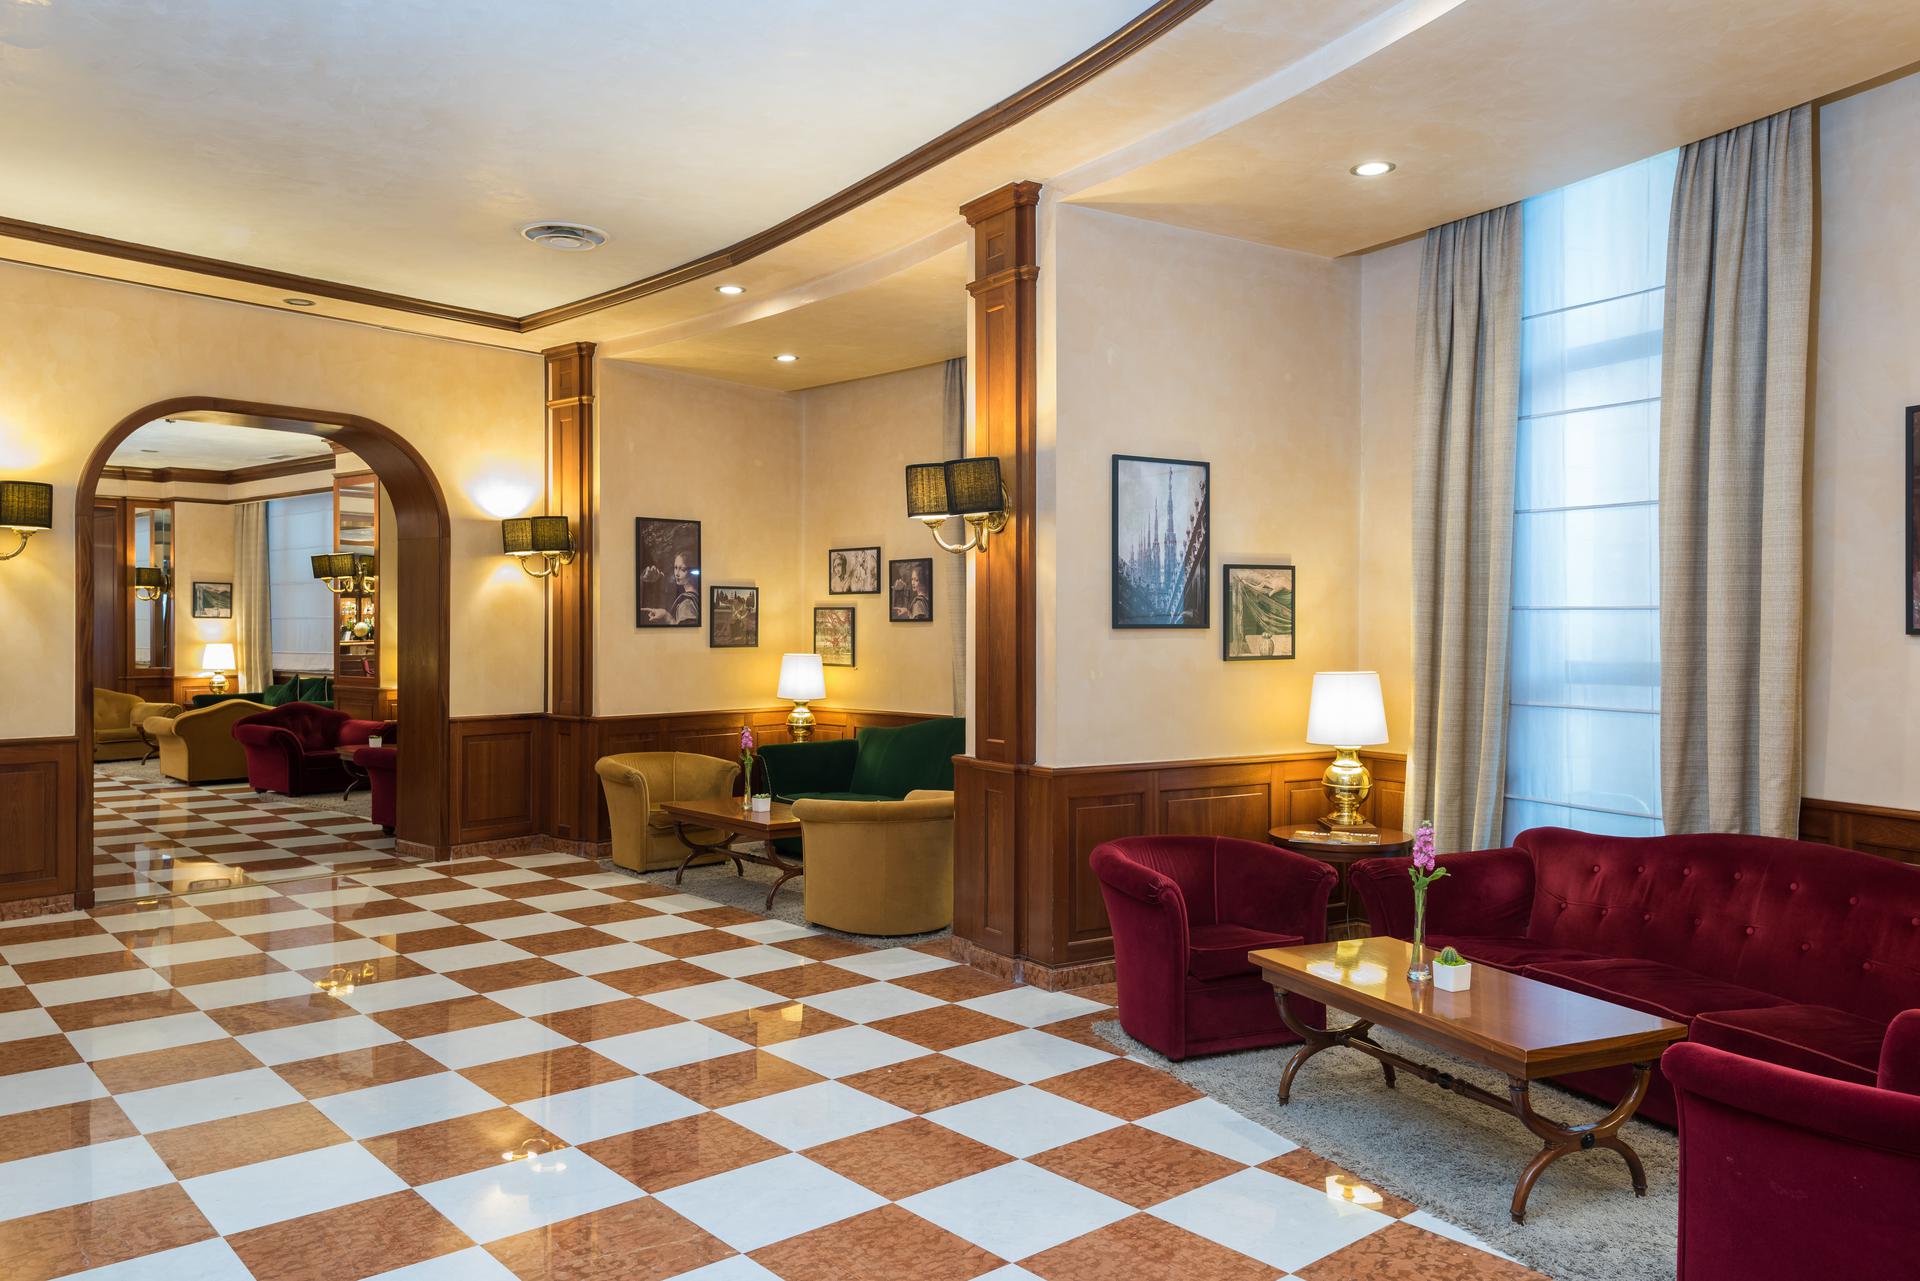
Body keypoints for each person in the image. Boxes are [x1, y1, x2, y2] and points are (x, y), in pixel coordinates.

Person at [640, 552, 698, 624]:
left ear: (693, 571)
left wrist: (667, 618)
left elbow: (685, 630)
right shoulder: (695, 596)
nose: (677, 573)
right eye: (675, 568)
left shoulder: (687, 603)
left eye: (683, 569)